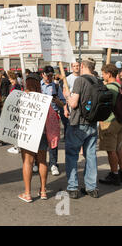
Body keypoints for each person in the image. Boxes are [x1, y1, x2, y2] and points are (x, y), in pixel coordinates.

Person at [18, 73, 60, 203]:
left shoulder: (22, 97)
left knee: (27, 161)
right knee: (42, 161)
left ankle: (27, 193)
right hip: (41, 133)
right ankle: (43, 191)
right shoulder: (44, 98)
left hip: (27, 133)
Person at [63, 58, 99, 199]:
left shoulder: (80, 80)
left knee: (72, 155)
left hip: (78, 123)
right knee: (90, 156)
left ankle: (73, 187)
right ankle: (91, 188)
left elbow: (73, 103)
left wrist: (67, 96)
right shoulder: (98, 80)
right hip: (92, 123)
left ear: (82, 66)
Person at [98, 64, 122, 186]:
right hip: (119, 121)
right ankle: (120, 173)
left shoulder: (109, 88)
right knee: (118, 148)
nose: (102, 75)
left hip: (109, 121)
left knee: (110, 150)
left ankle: (114, 174)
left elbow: (102, 105)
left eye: (103, 73)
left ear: (109, 74)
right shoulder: (119, 86)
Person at [41, 65, 66, 176]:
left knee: (53, 141)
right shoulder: (38, 86)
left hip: (53, 116)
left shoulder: (56, 86)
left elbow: (63, 103)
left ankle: (53, 164)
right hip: (40, 116)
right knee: (39, 141)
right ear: (42, 75)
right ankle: (38, 162)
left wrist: (56, 101)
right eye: (47, 75)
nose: (49, 77)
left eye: (51, 75)